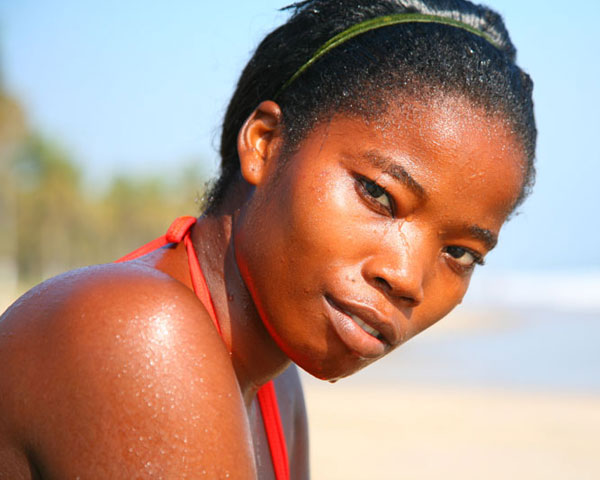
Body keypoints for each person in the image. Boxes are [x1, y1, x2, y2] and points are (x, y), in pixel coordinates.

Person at [0, 0, 536, 478]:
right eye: (378, 194)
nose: (406, 279)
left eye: (461, 253)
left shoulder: (275, 384)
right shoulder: (139, 336)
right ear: (265, 143)